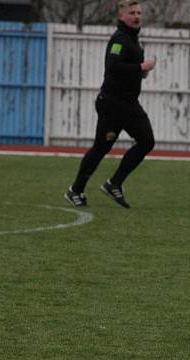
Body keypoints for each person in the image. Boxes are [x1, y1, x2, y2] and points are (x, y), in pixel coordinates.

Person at [64, 0, 155, 209]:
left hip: (130, 105)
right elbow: (113, 67)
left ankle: (114, 184)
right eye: (132, 12)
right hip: (113, 105)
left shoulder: (133, 40)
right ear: (121, 16)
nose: (137, 16)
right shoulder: (120, 39)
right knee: (101, 148)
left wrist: (142, 72)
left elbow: (128, 70)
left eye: (139, 12)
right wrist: (140, 66)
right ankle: (75, 190)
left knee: (147, 141)